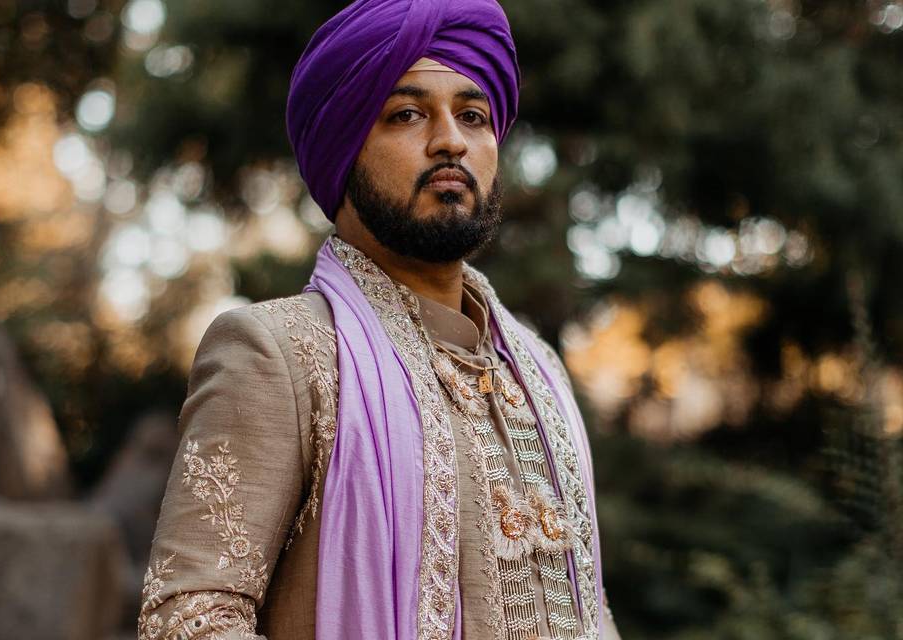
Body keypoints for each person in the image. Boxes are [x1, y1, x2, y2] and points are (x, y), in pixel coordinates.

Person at [137, 1, 621, 639]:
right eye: (407, 114)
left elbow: (589, 614)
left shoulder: (539, 372)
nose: (450, 139)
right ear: (344, 145)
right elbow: (189, 618)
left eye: (472, 116)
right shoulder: (280, 353)